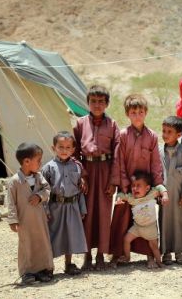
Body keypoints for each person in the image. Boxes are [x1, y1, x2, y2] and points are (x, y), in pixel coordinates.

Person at [109, 93, 164, 269]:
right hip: (127, 186)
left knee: (146, 219)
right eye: (133, 112)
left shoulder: (152, 136)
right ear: (127, 114)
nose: (137, 115)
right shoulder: (123, 135)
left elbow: (156, 163)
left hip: (146, 188)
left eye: (141, 112)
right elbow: (119, 161)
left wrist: (157, 187)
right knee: (122, 217)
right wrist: (124, 187)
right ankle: (119, 254)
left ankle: (149, 254)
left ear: (146, 113)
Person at [73, 85, 120, 271]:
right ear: (88, 103)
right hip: (87, 170)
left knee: (102, 214)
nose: (97, 105)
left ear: (107, 103)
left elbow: (117, 154)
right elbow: (75, 153)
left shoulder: (113, 124)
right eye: (93, 101)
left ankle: (101, 255)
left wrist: (113, 180)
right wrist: (81, 176)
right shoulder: (79, 123)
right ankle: (87, 256)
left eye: (101, 101)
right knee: (87, 214)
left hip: (106, 170)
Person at [5, 142, 53, 285]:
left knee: (42, 243)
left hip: (40, 219)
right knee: (27, 245)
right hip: (24, 221)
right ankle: (27, 272)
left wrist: (39, 196)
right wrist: (13, 220)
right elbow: (11, 202)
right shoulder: (14, 182)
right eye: (38, 160)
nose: (40, 163)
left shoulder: (39, 177)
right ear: (26, 161)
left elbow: (47, 189)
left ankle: (45, 269)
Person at [42, 131, 88, 276]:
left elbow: (79, 190)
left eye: (68, 147)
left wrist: (82, 208)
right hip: (55, 207)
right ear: (53, 148)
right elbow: (43, 191)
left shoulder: (77, 167)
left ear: (73, 150)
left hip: (72, 206)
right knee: (53, 235)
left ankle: (69, 264)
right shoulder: (48, 168)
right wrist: (45, 210)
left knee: (70, 235)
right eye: (60, 147)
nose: (64, 150)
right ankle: (48, 266)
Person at [116, 170, 169, 268]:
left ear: (147, 188)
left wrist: (165, 195)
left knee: (154, 247)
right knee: (126, 239)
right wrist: (118, 199)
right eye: (133, 186)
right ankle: (127, 257)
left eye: (138, 185)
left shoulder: (152, 194)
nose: (135, 188)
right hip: (137, 228)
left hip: (151, 228)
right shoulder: (131, 198)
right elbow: (121, 194)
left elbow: (160, 187)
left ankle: (159, 262)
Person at [159, 116, 182, 265]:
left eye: (169, 132)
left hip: (179, 195)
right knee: (164, 223)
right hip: (164, 196)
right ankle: (166, 252)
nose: (165, 134)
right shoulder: (159, 151)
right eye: (164, 131)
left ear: (179, 135)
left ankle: (179, 252)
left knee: (179, 223)